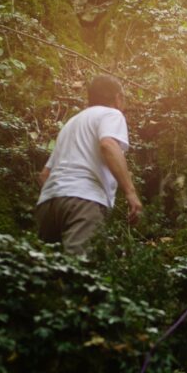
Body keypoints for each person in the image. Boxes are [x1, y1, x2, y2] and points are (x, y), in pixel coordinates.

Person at [36, 73, 142, 255]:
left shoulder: (71, 123)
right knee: (81, 272)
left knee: (49, 275)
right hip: (84, 200)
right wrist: (130, 192)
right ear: (117, 98)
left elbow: (44, 175)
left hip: (48, 203)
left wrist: (61, 193)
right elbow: (108, 145)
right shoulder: (111, 114)